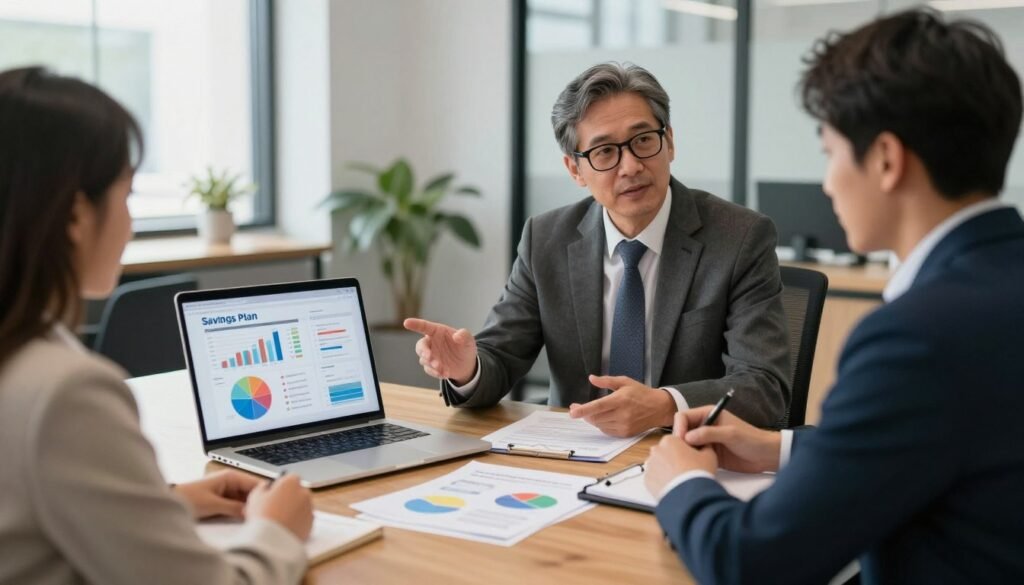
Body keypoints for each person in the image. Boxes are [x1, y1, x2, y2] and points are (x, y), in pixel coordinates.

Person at [644, 8, 1024, 584]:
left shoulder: (917, 336)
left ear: (887, 160)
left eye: (829, 153)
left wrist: (680, 480)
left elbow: (752, 563)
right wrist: (782, 449)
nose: (826, 183)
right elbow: (949, 441)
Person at [0, 67, 314, 585]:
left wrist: (162, 504)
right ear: (76, 217)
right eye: (126, 197)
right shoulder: (65, 391)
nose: (130, 223)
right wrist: (276, 531)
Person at [405, 62, 791, 436]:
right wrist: (466, 368)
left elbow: (764, 388)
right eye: (605, 152)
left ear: (669, 141)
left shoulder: (740, 238)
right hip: (574, 455)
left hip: (684, 452)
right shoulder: (547, 239)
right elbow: (500, 358)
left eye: (643, 140)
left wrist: (663, 405)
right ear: (575, 170)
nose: (631, 166)